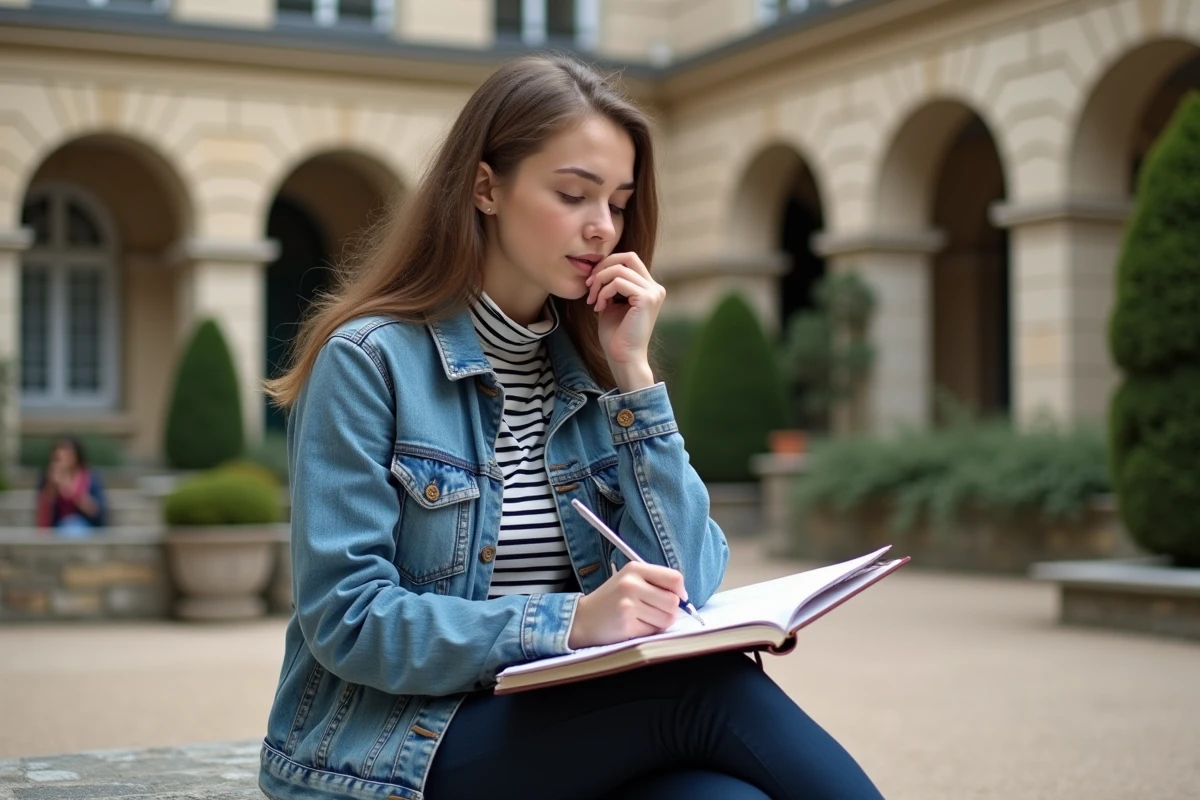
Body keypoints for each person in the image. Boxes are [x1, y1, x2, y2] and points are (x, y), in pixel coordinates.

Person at [257, 54, 884, 800]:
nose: (602, 227)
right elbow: (348, 618)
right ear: (486, 186)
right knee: (705, 689)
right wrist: (569, 623)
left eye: (617, 202)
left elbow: (691, 580)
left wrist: (635, 381)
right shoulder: (368, 362)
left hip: (554, 730)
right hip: (392, 747)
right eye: (573, 194)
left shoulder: (590, 369)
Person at [36, 436, 107, 535]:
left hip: (85, 525)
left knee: (72, 527)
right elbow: (44, 508)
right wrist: (52, 485)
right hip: (57, 526)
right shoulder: (48, 477)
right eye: (58, 456)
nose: (61, 458)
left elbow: (96, 511)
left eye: (67, 455)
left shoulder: (90, 477)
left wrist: (67, 488)